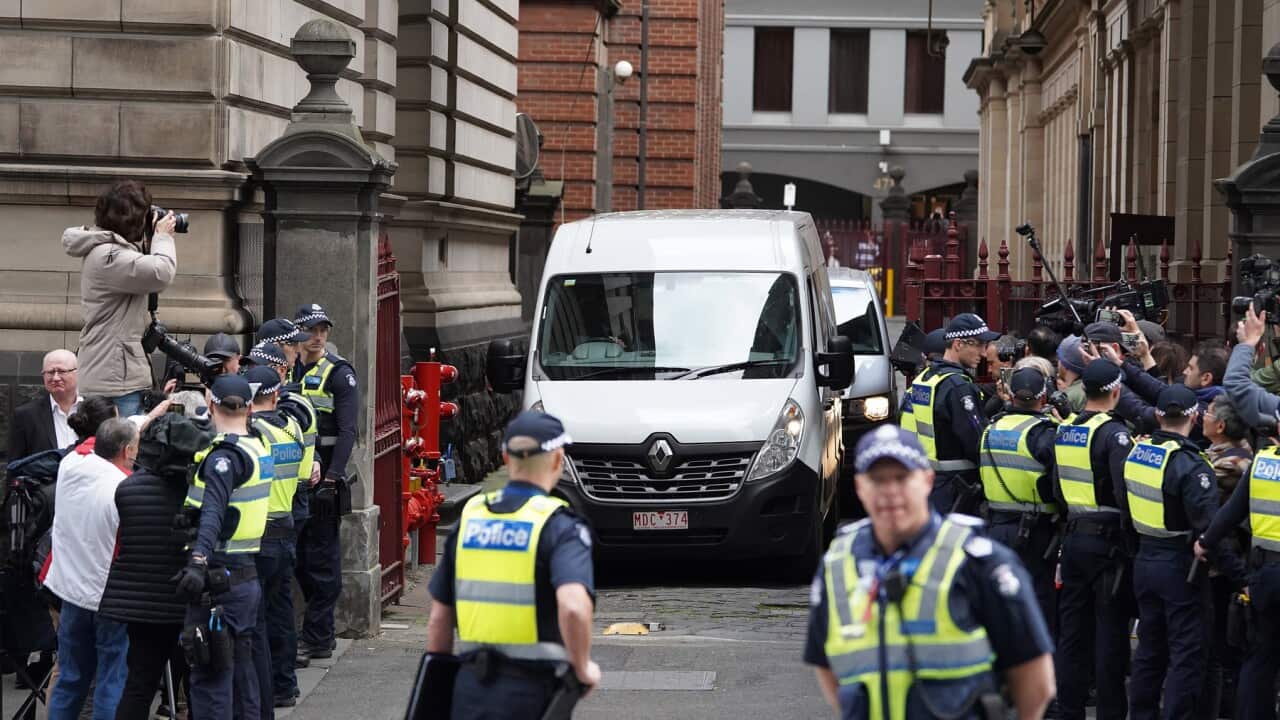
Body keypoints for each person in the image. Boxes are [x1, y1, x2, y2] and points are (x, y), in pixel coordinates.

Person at [804, 425, 1055, 719]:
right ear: (860, 487)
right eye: (878, 480)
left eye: (902, 477)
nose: (890, 491)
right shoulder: (837, 564)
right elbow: (827, 667)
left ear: (926, 480)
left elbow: (1034, 679)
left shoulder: (979, 563)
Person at [426, 411, 599, 719]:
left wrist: (438, 687)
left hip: (469, 690)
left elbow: (439, 619)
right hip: (531, 695)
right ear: (558, 459)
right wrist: (583, 667)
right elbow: (573, 607)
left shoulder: (471, 517)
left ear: (506, 458)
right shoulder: (559, 526)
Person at [1124, 385, 1243, 720]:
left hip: (1145, 559)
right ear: (1192, 416)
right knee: (1186, 656)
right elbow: (1209, 530)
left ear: (1159, 415)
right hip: (1180, 567)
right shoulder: (1192, 464)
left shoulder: (1137, 453)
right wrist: (1240, 576)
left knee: (1149, 651)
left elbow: (1124, 509)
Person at [99, 413, 212, 720]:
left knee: (139, 683)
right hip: (187, 597)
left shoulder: (127, 489)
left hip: (141, 604)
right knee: (199, 682)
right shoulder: (199, 492)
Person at [173, 374, 274, 720]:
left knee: (211, 676)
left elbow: (213, 513)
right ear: (248, 407)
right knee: (242, 673)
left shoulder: (224, 458)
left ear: (211, 403)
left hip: (218, 580)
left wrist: (197, 563)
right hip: (245, 577)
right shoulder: (257, 445)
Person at [1051, 360, 1135, 720]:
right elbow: (1124, 493)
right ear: (1115, 391)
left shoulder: (1066, 429)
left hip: (1073, 539)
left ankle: (1068, 711)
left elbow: (1056, 489)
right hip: (1108, 544)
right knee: (1109, 636)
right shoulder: (1114, 434)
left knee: (1072, 635)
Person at [44, 417, 139, 720]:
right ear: (127, 450)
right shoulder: (124, 489)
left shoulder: (71, 465)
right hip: (110, 598)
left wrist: (144, 419)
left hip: (71, 593)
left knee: (70, 678)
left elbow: (92, 444)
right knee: (111, 680)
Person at [63, 180, 178, 417]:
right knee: (121, 448)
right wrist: (162, 237)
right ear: (133, 220)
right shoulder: (110, 256)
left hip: (112, 371)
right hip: (116, 380)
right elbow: (161, 272)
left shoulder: (111, 251)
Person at [292, 303, 358, 664]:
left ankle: (318, 637)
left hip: (324, 481)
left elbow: (348, 431)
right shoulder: (288, 370)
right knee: (299, 560)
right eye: (310, 329)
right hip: (293, 479)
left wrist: (333, 476)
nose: (317, 336)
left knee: (322, 562)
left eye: (323, 329)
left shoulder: (339, 373)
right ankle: (319, 635)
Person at [243, 363, 308, 712]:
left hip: (258, 533)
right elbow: (302, 477)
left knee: (256, 622)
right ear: (277, 394)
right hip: (285, 528)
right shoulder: (294, 426)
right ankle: (285, 684)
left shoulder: (256, 433)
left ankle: (262, 694)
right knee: (282, 611)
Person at [978, 366, 1059, 631]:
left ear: (1010, 395)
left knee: (997, 599)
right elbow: (1058, 485)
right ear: (1043, 397)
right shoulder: (1045, 434)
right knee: (1036, 600)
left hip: (995, 526)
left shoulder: (990, 429)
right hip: (1035, 532)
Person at [902, 313, 999, 515]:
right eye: (979, 344)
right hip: (955, 489)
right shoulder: (958, 386)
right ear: (958, 344)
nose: (984, 352)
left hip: (926, 483)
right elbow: (977, 442)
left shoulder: (924, 380)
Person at [1200, 395, 1252, 719]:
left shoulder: (1235, 463)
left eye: (1206, 413)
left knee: (1219, 645)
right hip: (1219, 562)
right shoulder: (1220, 454)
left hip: (1225, 566)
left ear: (1220, 426)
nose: (1201, 416)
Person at [7, 350, 81, 461]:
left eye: (61, 371)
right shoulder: (25, 416)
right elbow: (15, 466)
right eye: (50, 372)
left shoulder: (97, 411)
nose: (55, 378)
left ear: (77, 373)